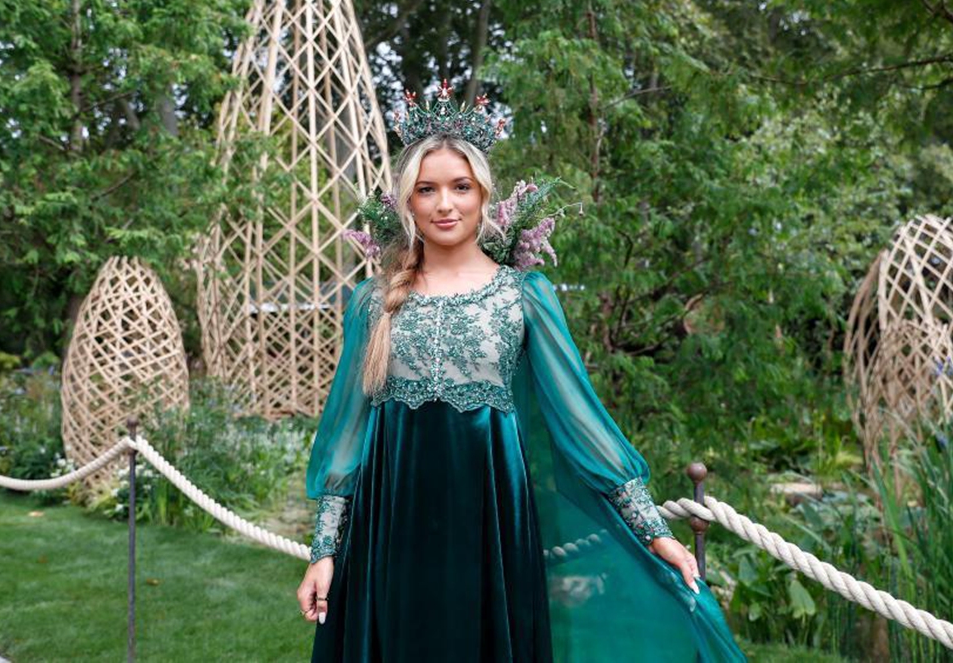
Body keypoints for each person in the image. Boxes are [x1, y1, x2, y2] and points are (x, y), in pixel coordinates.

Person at [296, 80, 746, 662]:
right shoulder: (373, 301)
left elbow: (581, 418)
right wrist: (324, 550)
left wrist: (652, 530)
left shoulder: (524, 296)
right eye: (426, 190)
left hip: (490, 522)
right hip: (390, 525)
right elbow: (347, 437)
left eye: (460, 187)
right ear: (407, 202)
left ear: (484, 196)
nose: (444, 204)